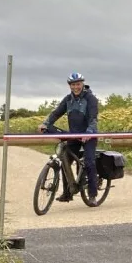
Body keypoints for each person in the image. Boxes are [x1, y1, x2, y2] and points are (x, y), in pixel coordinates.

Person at [40, 72, 100, 202]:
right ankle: (68, 192)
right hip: (74, 136)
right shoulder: (68, 99)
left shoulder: (90, 99)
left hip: (89, 136)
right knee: (65, 160)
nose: (75, 87)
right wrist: (45, 124)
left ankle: (92, 195)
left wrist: (89, 133)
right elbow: (56, 113)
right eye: (73, 85)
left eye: (78, 84)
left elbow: (93, 118)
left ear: (82, 84)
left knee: (89, 162)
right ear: (70, 86)